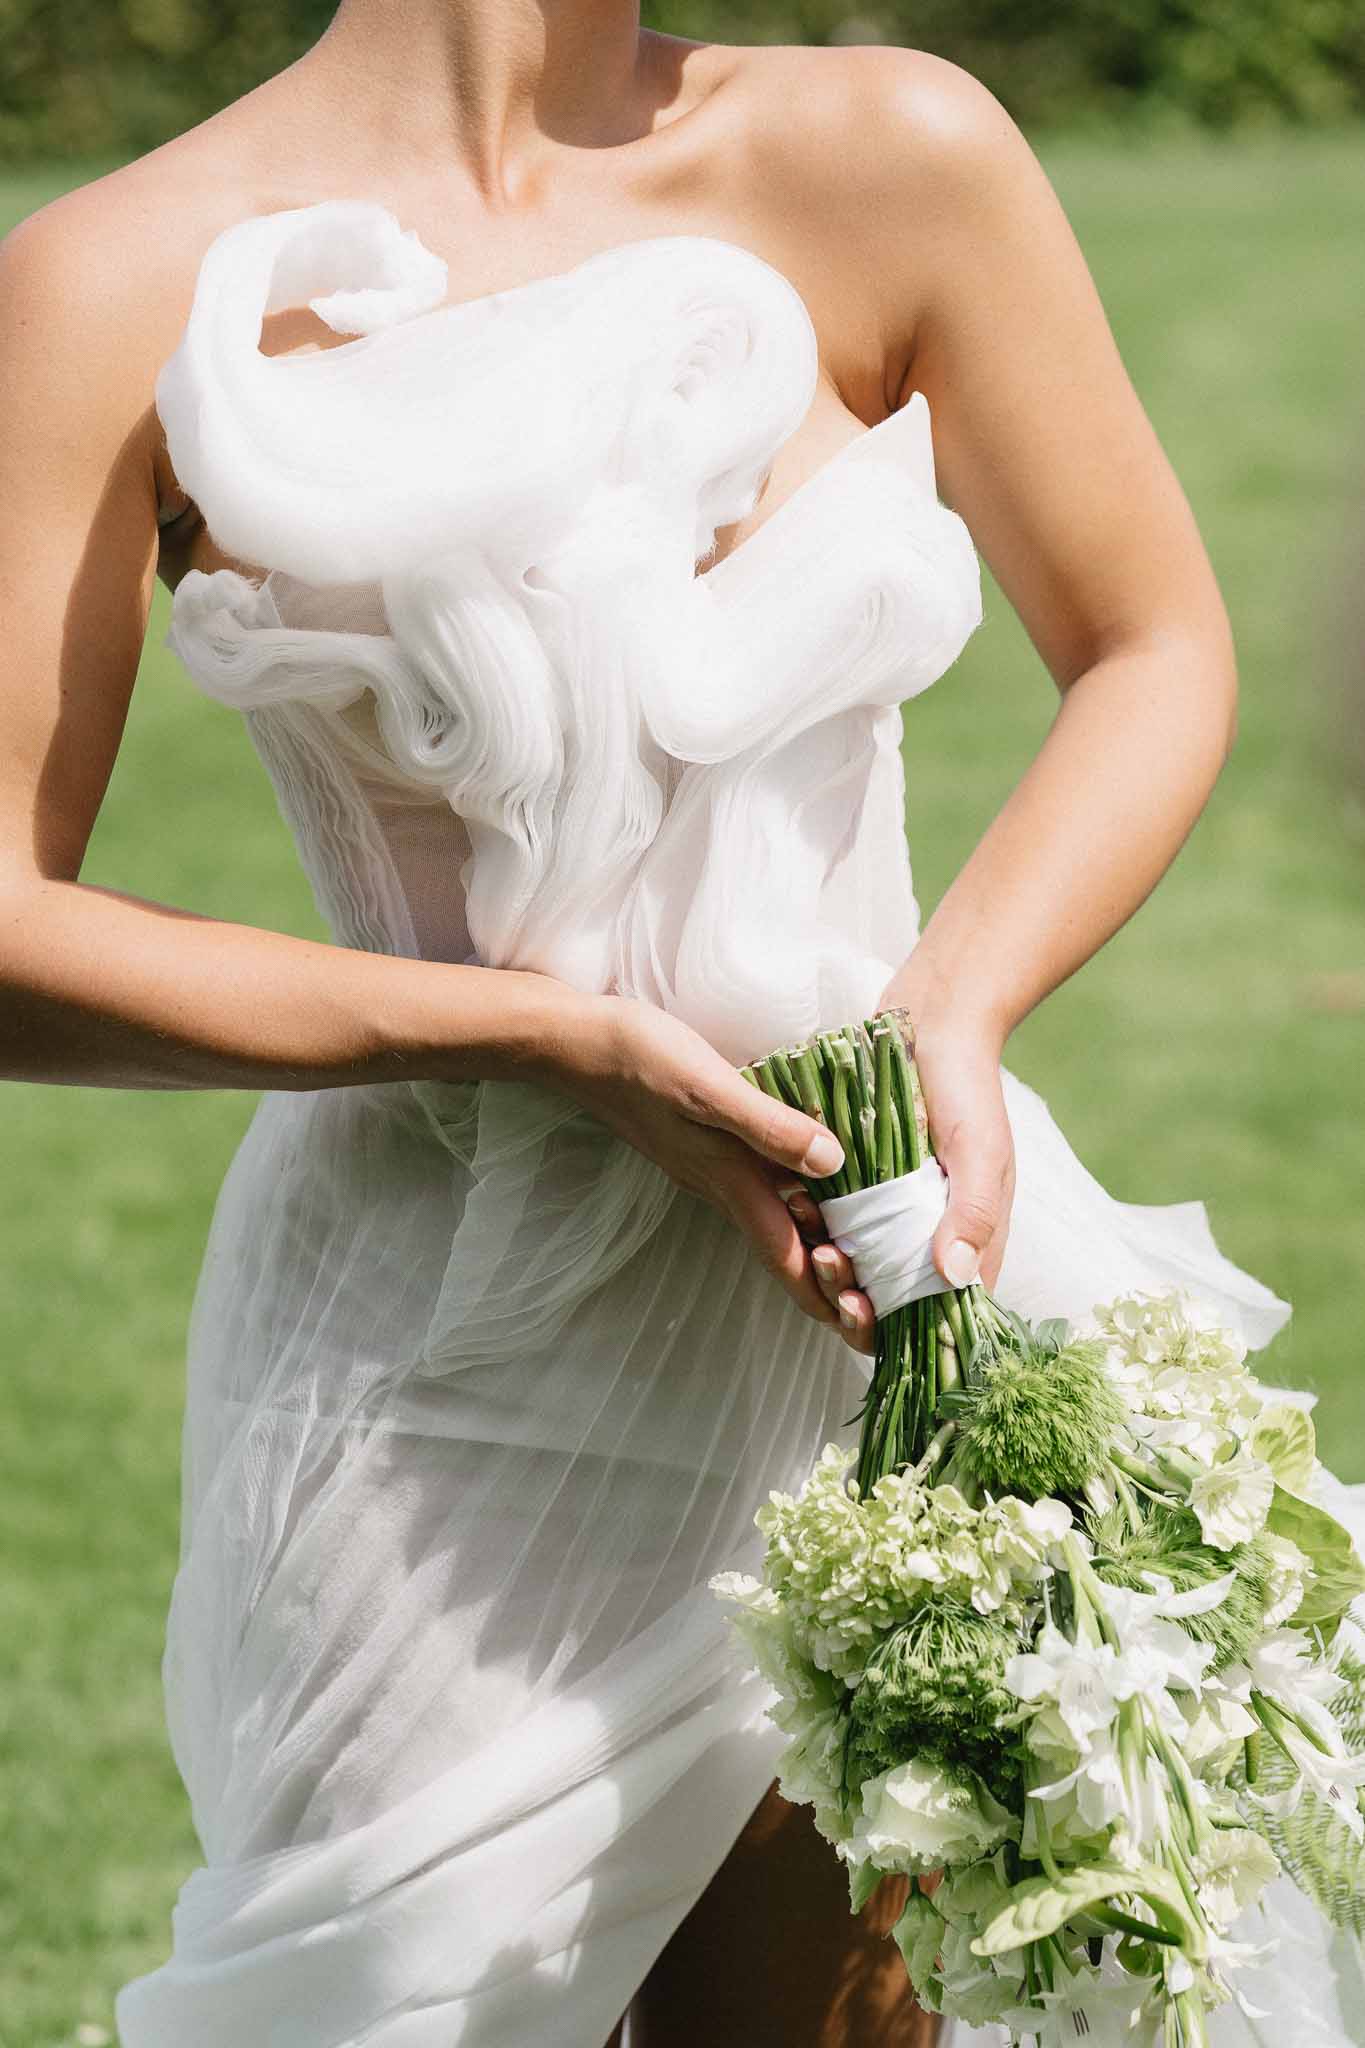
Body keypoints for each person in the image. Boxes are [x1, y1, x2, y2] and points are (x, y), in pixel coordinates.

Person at [2, 5, 1356, 2044]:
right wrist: (535, 1040)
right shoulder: (124, 277)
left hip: (865, 1321)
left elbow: (1151, 643)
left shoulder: (892, 148)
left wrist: (951, 1009)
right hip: (437, 1387)